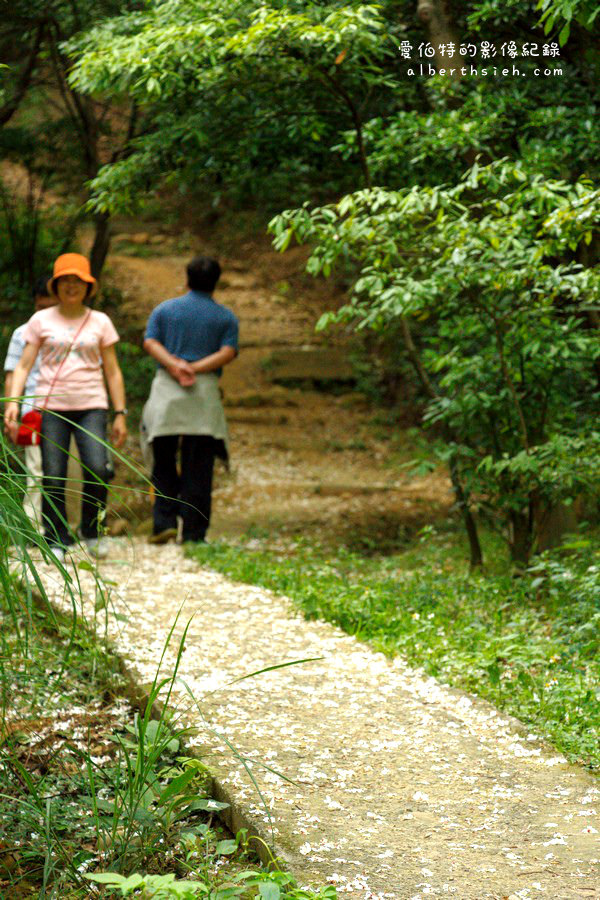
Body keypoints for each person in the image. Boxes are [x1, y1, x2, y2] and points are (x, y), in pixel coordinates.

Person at [3, 253, 127, 563]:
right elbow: (23, 366)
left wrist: (121, 413)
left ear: (88, 286)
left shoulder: (100, 322)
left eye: (78, 281)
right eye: (65, 281)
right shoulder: (40, 321)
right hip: (51, 407)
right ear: (56, 286)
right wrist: (14, 403)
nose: (71, 286)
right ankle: (56, 536)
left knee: (98, 468)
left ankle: (92, 529)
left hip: (91, 405)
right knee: (53, 474)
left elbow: (112, 370)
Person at [142, 256, 238, 544]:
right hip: (204, 393)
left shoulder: (165, 310)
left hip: (167, 391)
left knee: (163, 459)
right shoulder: (225, 317)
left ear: (187, 278)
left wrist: (174, 365)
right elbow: (228, 351)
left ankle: (163, 522)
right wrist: (195, 368)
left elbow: (150, 341)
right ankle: (195, 532)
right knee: (200, 464)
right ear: (216, 282)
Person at [4, 278, 57, 524]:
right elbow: (13, 374)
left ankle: (72, 530)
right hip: (32, 410)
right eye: (40, 307)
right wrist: (10, 411)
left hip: (70, 408)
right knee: (36, 470)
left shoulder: (73, 330)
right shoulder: (22, 333)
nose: (44, 313)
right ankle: (35, 527)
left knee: (72, 471)